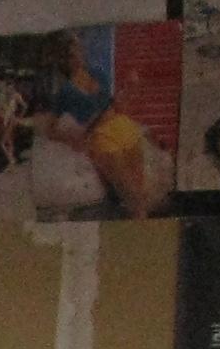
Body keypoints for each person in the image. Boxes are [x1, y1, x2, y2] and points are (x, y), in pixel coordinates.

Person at [34, 35, 160, 216]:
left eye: (78, 50)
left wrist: (130, 88)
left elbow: (116, 106)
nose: (77, 56)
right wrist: (72, 139)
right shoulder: (64, 93)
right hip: (101, 138)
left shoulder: (98, 73)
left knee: (141, 191)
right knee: (130, 194)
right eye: (71, 54)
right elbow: (50, 130)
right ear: (63, 59)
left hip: (123, 127)